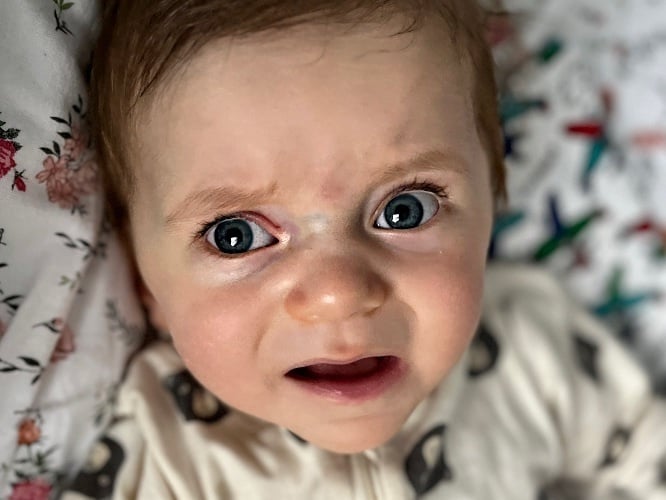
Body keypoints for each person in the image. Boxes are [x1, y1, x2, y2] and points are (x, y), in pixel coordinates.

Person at [63, 0, 666, 498]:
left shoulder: (529, 352)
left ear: (493, 197)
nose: (338, 293)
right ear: (144, 278)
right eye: (235, 236)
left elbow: (646, 456)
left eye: (406, 210)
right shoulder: (164, 453)